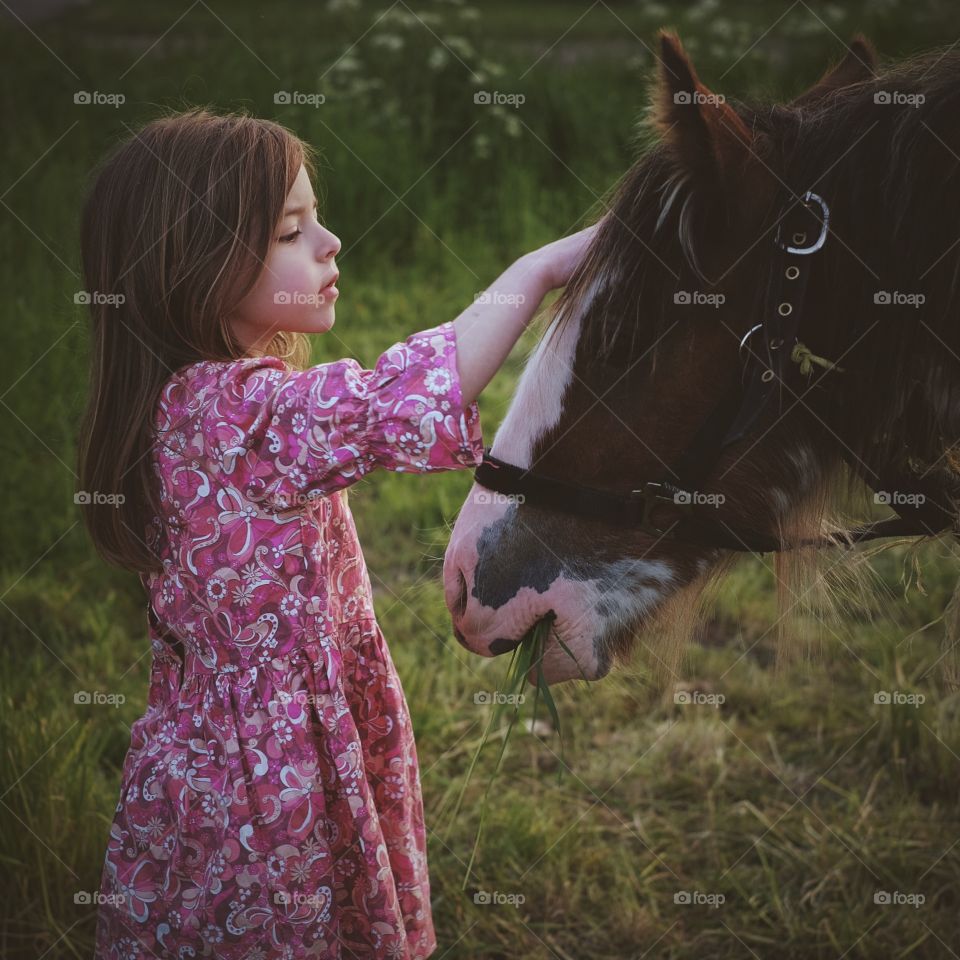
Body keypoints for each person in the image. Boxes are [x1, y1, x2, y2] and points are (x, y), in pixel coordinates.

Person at [76, 106, 598, 959]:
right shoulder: (235, 415)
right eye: (293, 230)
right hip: (266, 778)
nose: (331, 243)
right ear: (197, 261)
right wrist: (537, 272)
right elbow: (401, 396)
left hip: (212, 754)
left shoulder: (182, 398)